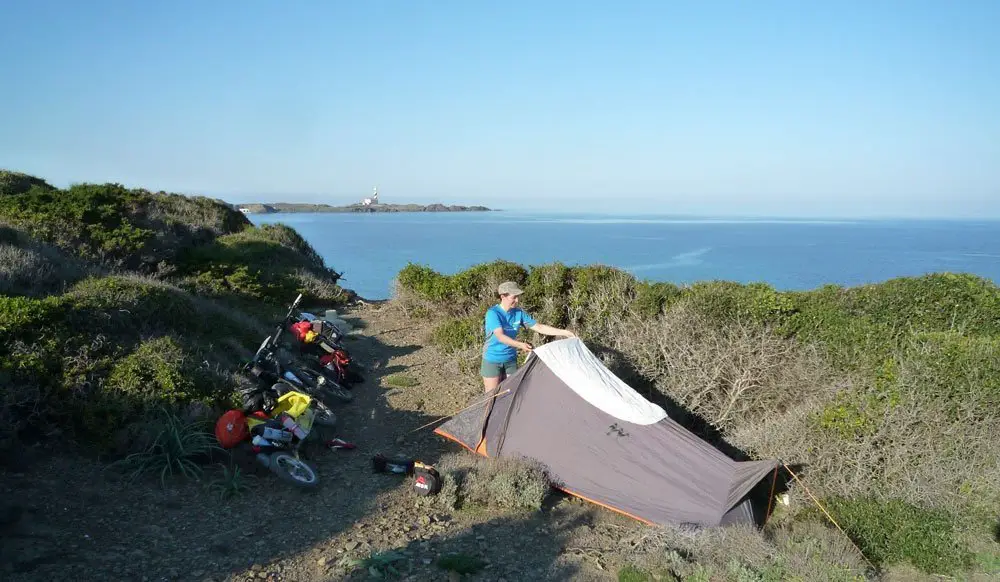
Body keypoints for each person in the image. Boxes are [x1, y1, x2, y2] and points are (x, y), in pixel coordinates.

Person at [481, 281, 575, 393]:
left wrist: (564, 332)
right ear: (503, 297)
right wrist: (520, 345)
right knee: (491, 397)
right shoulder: (493, 313)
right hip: (492, 359)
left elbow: (539, 327)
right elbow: (500, 336)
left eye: (518, 297)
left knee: (510, 393)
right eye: (514, 297)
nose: (517, 300)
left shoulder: (518, 313)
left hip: (510, 360)